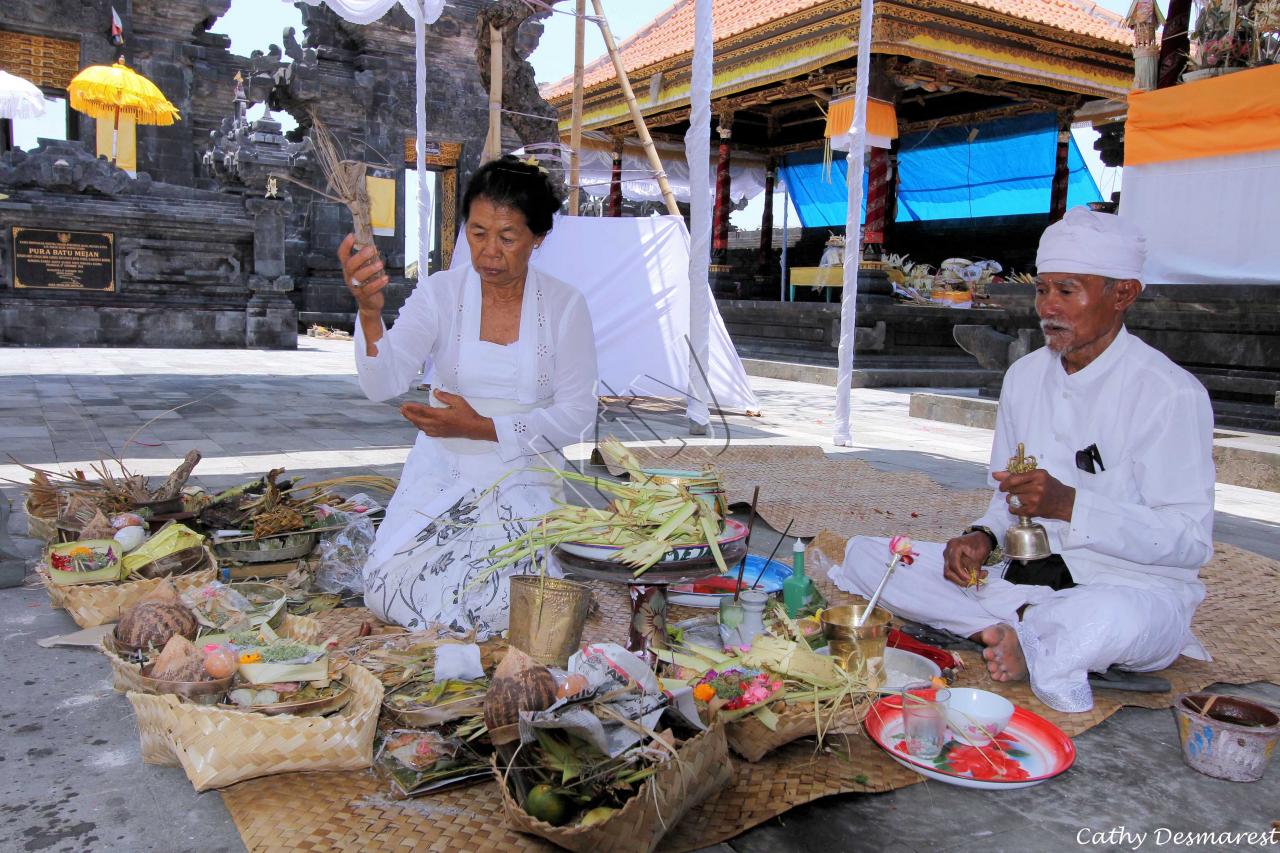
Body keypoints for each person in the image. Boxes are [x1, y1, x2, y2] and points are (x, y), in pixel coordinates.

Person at [831, 207, 1215, 712]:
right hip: (1016, 577)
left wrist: (1070, 505)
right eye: (1042, 289)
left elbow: (1189, 542)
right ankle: (1018, 632)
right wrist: (981, 538)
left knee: (1109, 621)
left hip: (1127, 587)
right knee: (867, 555)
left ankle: (1029, 635)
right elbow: (1005, 497)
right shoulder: (1025, 377)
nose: (1047, 307)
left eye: (1067, 291)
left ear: (1122, 294)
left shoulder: (1170, 395)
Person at [338, 155, 598, 636]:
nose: (489, 253)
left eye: (506, 237)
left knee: (503, 603)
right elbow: (382, 381)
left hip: (524, 475)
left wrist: (483, 428)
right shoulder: (442, 293)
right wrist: (370, 314)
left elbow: (579, 413)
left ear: (538, 237)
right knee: (387, 589)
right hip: (444, 472)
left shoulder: (565, 306)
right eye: (477, 234)